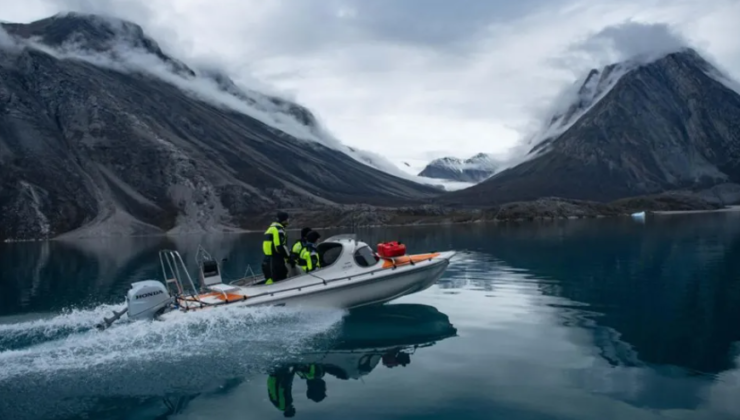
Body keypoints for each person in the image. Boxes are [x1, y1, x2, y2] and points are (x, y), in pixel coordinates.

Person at [262, 211, 292, 285]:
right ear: (284, 220)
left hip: (268, 260)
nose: (289, 220)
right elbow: (279, 247)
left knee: (270, 279)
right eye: (288, 219)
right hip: (276, 261)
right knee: (280, 281)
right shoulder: (279, 230)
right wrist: (288, 257)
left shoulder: (271, 228)